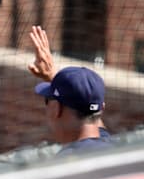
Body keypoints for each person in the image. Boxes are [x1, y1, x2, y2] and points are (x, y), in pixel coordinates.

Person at [28, 26, 112, 156]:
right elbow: (95, 121)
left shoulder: (66, 165)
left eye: (47, 100)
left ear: (56, 108)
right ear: (101, 109)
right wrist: (53, 77)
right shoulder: (111, 147)